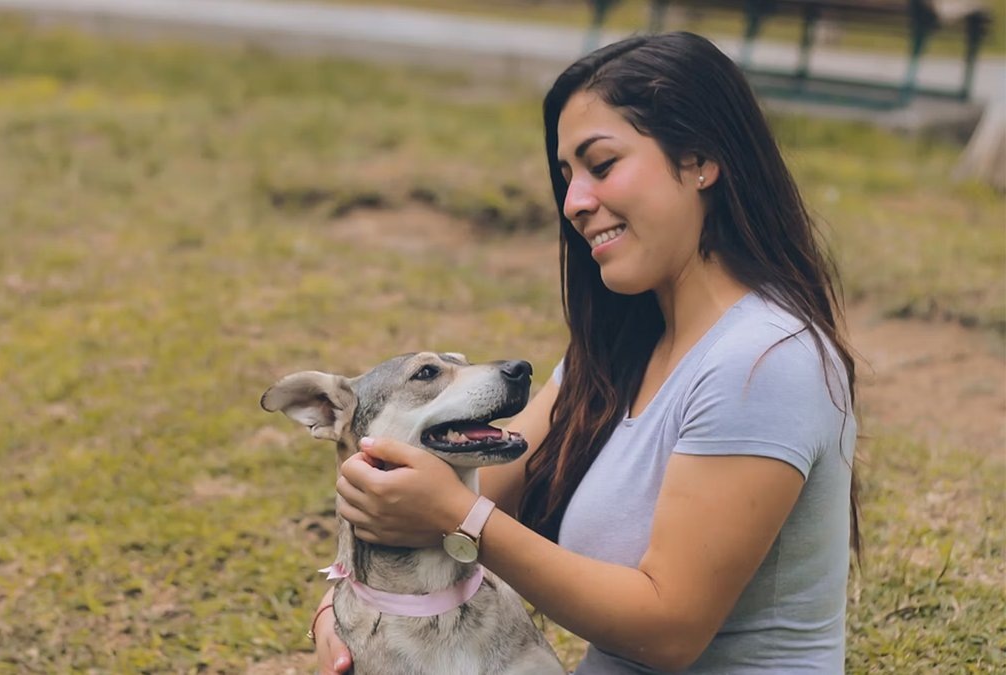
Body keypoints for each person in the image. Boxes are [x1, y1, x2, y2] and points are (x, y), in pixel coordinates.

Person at [312, 31, 859, 674]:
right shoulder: (622, 350)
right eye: (567, 175)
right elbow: (489, 481)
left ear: (701, 159)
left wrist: (461, 518)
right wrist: (347, 600)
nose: (574, 202)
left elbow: (670, 629)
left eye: (601, 165)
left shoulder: (766, 360)